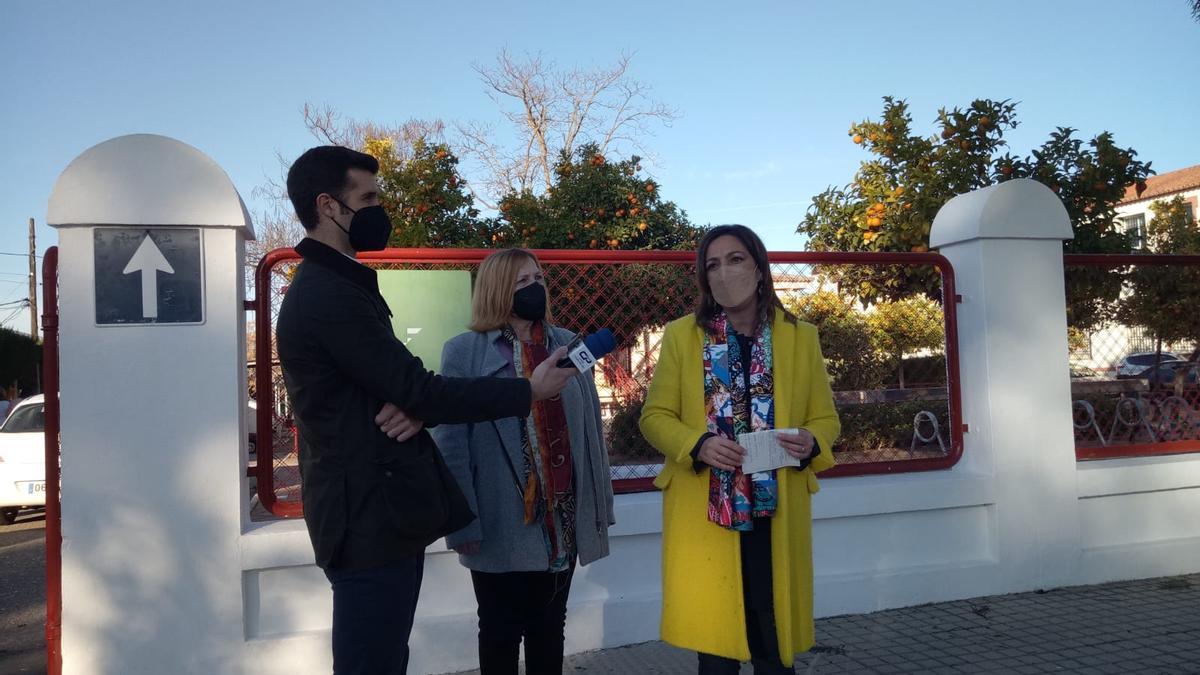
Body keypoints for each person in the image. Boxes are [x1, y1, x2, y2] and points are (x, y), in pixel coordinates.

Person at [275, 146, 577, 675]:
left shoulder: (341, 284)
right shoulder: (327, 294)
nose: (378, 209)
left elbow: (396, 389)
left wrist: (416, 407)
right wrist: (528, 391)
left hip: (381, 512)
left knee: (387, 655)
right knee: (373, 662)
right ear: (327, 206)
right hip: (367, 517)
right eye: (366, 197)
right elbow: (419, 387)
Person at [639, 225, 840, 674]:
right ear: (704, 278)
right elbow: (654, 418)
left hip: (776, 509)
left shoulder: (799, 336)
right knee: (717, 650)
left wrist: (812, 442)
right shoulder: (681, 336)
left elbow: (826, 420)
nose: (724, 272)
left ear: (759, 268)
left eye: (735, 259)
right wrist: (700, 444)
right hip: (710, 511)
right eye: (713, 264)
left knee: (774, 641)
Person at [431, 249, 615, 675]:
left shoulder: (568, 344)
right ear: (497, 291)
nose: (535, 288)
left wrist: (599, 507)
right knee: (498, 630)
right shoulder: (464, 352)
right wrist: (462, 522)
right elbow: (451, 442)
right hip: (498, 520)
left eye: (538, 278)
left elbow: (590, 431)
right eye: (521, 282)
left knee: (550, 627)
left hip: (562, 518)